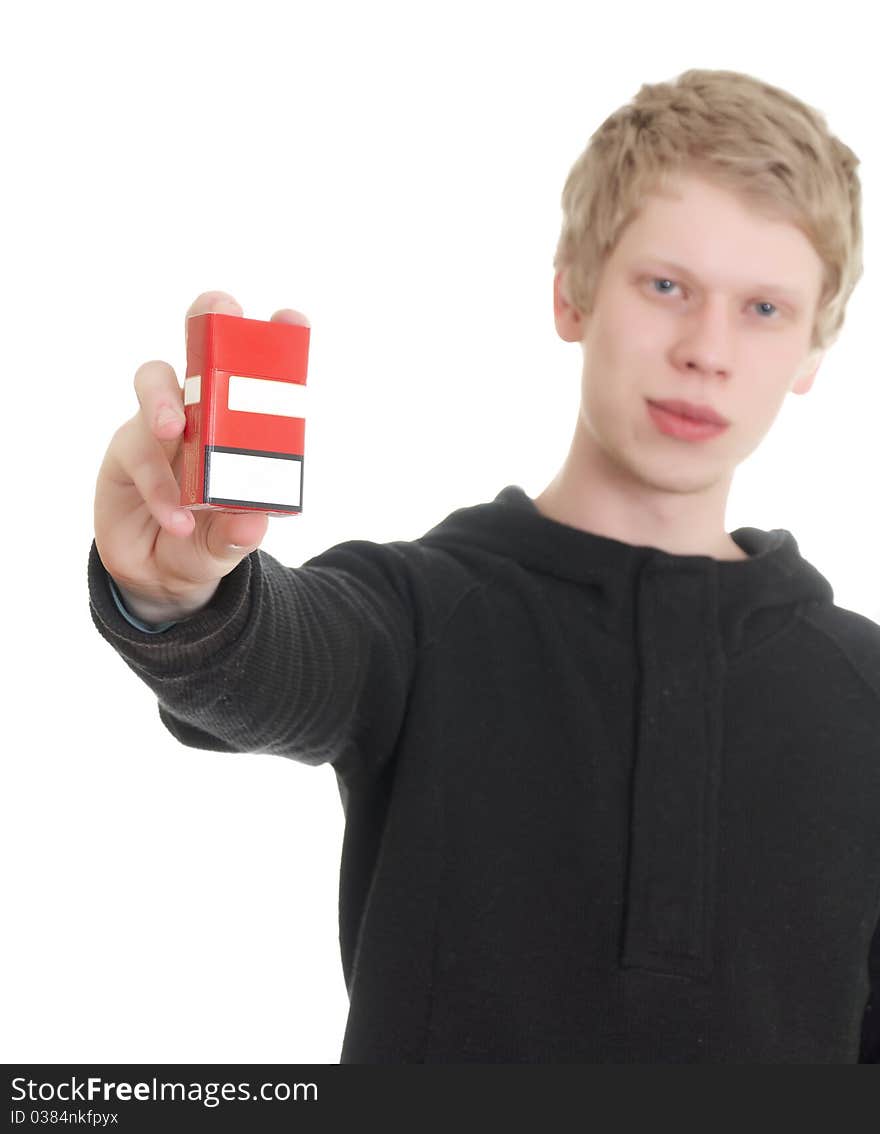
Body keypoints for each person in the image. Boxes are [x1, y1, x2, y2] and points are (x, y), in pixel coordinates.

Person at [89, 68, 880, 1063]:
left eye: (763, 309)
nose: (706, 350)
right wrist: (179, 595)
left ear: (813, 350)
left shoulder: (867, 695)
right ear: (572, 293)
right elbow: (275, 658)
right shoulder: (419, 613)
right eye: (666, 286)